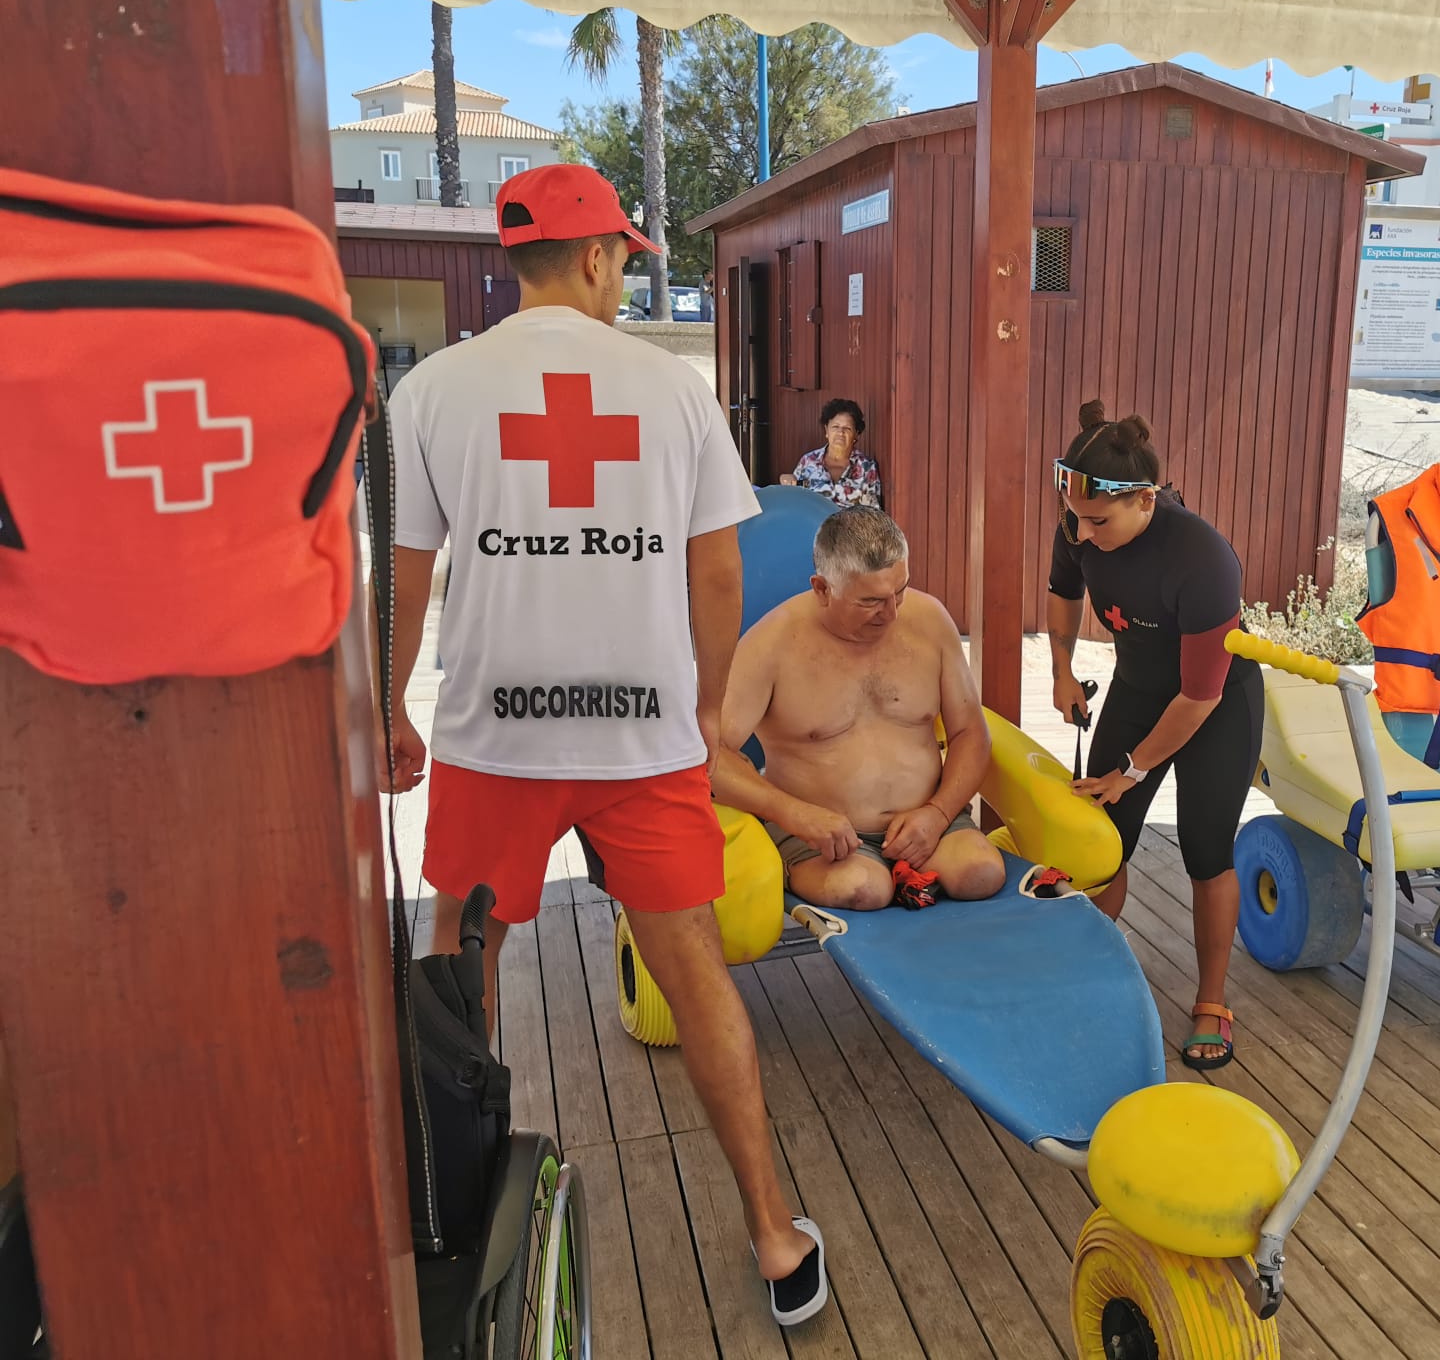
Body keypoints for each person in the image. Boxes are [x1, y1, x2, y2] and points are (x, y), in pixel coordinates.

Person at [373, 162, 826, 1327]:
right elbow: (717, 566)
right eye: (624, 258)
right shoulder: (667, 387)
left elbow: (405, 578)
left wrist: (387, 710)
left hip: (493, 735)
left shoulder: (432, 392)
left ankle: (450, 1223)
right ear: (591, 258)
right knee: (695, 972)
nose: (625, 277)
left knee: (460, 967)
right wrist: (709, 708)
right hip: (640, 737)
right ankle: (777, 1237)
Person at [1047, 400, 1264, 1071]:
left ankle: (1210, 999)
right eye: (1074, 520)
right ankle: (1082, 973)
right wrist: (1062, 670)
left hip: (1216, 706)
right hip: (1140, 689)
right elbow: (1063, 593)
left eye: (1098, 522)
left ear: (1145, 500)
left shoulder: (1201, 557)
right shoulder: (1080, 522)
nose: (1081, 536)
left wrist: (1132, 770)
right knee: (1105, 837)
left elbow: (1199, 697)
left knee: (1206, 850)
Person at [713, 507, 1007, 910]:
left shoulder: (929, 620)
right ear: (822, 589)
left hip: (927, 822)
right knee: (864, 889)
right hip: (816, 834)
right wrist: (794, 814)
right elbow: (709, 757)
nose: (891, 613)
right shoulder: (771, 644)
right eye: (870, 601)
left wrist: (938, 813)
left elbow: (970, 732)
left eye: (899, 591)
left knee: (982, 874)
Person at [783, 399, 882, 509]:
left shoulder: (866, 467)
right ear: (826, 430)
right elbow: (794, 497)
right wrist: (787, 480)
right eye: (835, 427)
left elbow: (872, 515)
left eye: (847, 428)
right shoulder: (808, 461)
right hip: (812, 525)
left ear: (856, 434)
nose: (840, 432)